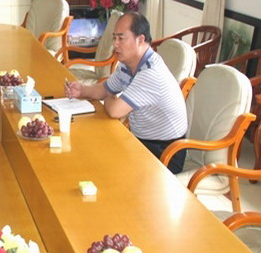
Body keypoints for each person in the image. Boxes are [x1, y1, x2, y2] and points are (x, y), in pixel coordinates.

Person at [65, 12, 188, 173]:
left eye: (121, 38)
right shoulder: (128, 63)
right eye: (114, 38)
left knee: (102, 164)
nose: (115, 44)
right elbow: (104, 89)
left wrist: (109, 96)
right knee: (91, 149)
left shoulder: (150, 73)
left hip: (165, 153)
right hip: (141, 141)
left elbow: (114, 110)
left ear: (140, 40)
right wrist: (82, 90)